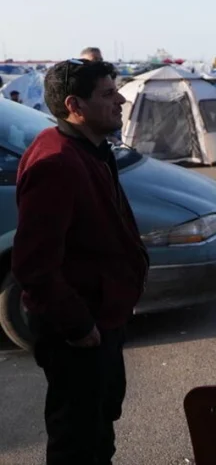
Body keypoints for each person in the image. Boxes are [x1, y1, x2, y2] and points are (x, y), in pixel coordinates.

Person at [12, 59, 149, 464]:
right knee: (78, 443)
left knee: (98, 428)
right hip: (79, 333)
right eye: (108, 94)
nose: (120, 100)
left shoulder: (90, 149)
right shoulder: (56, 162)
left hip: (102, 318)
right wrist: (79, 325)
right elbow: (33, 264)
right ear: (76, 105)